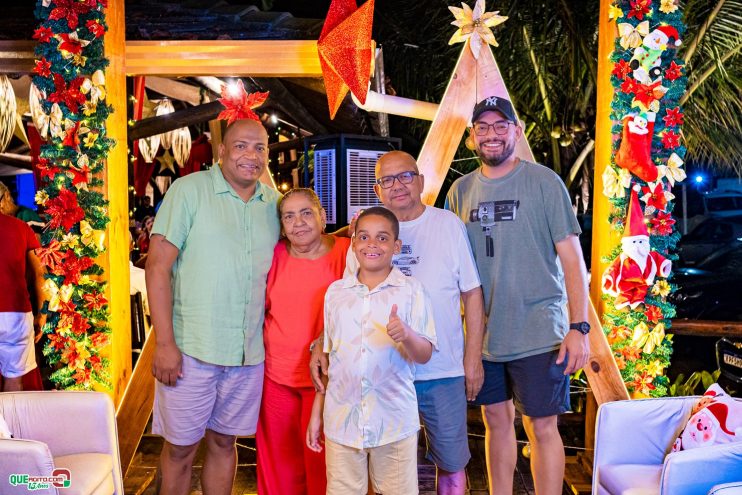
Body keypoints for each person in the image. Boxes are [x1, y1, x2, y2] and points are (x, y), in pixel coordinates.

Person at [311, 150, 485, 494]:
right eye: (387, 179)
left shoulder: (446, 224)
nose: (398, 185)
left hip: (440, 368)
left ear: (420, 181)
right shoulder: (365, 235)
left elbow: (472, 293)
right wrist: (321, 341)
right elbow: (347, 300)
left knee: (451, 463)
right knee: (380, 467)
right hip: (379, 375)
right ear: (377, 190)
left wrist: (473, 358)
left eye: (405, 176)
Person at [445, 96, 590, 495]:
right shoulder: (459, 192)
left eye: (500, 125)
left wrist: (580, 327)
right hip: (485, 334)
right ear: (472, 138)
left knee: (542, 425)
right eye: (483, 128)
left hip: (539, 329)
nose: (491, 134)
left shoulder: (544, 182)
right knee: (494, 419)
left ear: (516, 130)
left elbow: (574, 262)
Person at [146, 118, 281, 495]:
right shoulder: (189, 190)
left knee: (225, 444)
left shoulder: (274, 204)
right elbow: (157, 267)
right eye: (240, 146)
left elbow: (308, 244)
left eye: (259, 148)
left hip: (247, 355)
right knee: (180, 450)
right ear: (221, 151)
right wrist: (164, 344)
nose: (250, 155)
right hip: (191, 352)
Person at [306, 207, 437, 495]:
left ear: (396, 246)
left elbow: (424, 354)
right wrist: (317, 412)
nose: (371, 245)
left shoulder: (412, 291)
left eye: (382, 238)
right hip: (342, 420)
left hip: (392, 420)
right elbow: (330, 358)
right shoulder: (336, 293)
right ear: (353, 243)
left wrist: (407, 335)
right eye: (363, 237)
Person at [256, 188, 351, 495]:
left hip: (328, 382)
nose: (298, 223)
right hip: (276, 378)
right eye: (289, 216)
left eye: (306, 213)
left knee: (325, 467)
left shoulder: (347, 253)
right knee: (279, 470)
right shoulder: (273, 256)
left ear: (322, 217)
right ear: (281, 225)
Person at [0, 211, 46, 391]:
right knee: (15, 379)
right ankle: (10, 419)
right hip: (15, 313)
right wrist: (42, 312)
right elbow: (39, 273)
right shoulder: (21, 227)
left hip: (16, 311)